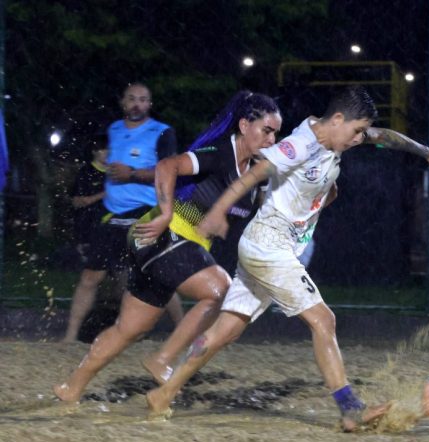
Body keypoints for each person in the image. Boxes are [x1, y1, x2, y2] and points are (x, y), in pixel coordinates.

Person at [146, 85, 429, 431]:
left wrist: (427, 153)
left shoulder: (338, 135)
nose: (359, 139)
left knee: (226, 330)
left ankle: (164, 394)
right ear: (338, 119)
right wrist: (217, 213)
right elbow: (253, 175)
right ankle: (350, 408)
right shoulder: (299, 144)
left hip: (268, 246)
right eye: (356, 131)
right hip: (269, 246)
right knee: (323, 321)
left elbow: (382, 135)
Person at [54, 91, 283, 402]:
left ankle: (70, 388)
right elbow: (166, 166)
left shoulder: (254, 175)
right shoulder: (218, 153)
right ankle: (162, 359)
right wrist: (165, 213)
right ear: (244, 125)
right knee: (218, 289)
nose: (272, 139)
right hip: (161, 234)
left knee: (130, 329)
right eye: (266, 131)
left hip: (172, 247)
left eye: (276, 133)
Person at [62, 83, 183, 343]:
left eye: (143, 99)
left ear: (150, 104)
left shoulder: (162, 132)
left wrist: (133, 174)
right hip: (113, 214)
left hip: (145, 213)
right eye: (132, 99)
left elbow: (169, 170)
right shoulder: (114, 130)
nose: (137, 104)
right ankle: (70, 338)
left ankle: (185, 332)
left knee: (157, 274)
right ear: (123, 103)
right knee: (90, 276)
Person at [69, 133, 107, 267]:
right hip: (88, 224)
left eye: (110, 149)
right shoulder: (85, 173)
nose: (108, 153)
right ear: (94, 151)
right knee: (90, 267)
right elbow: (77, 202)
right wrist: (103, 194)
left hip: (110, 224)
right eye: (103, 149)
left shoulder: (114, 173)